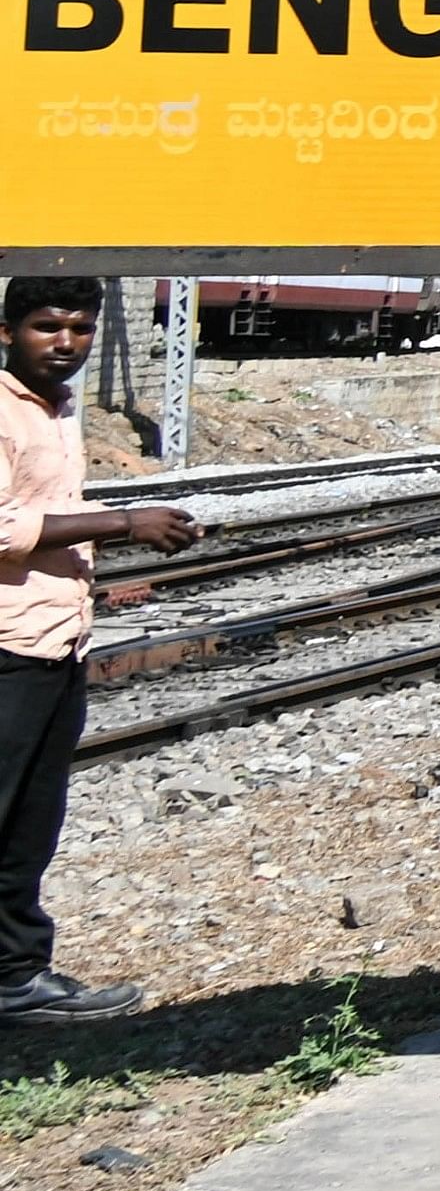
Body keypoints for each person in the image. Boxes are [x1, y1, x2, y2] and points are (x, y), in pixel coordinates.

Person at [0, 278, 202, 1022]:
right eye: (47, 326)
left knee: (30, 823)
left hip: (53, 640)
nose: (65, 342)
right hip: (7, 648)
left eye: (80, 328)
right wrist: (123, 523)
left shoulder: (55, 409)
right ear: (6, 331)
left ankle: (17, 976)